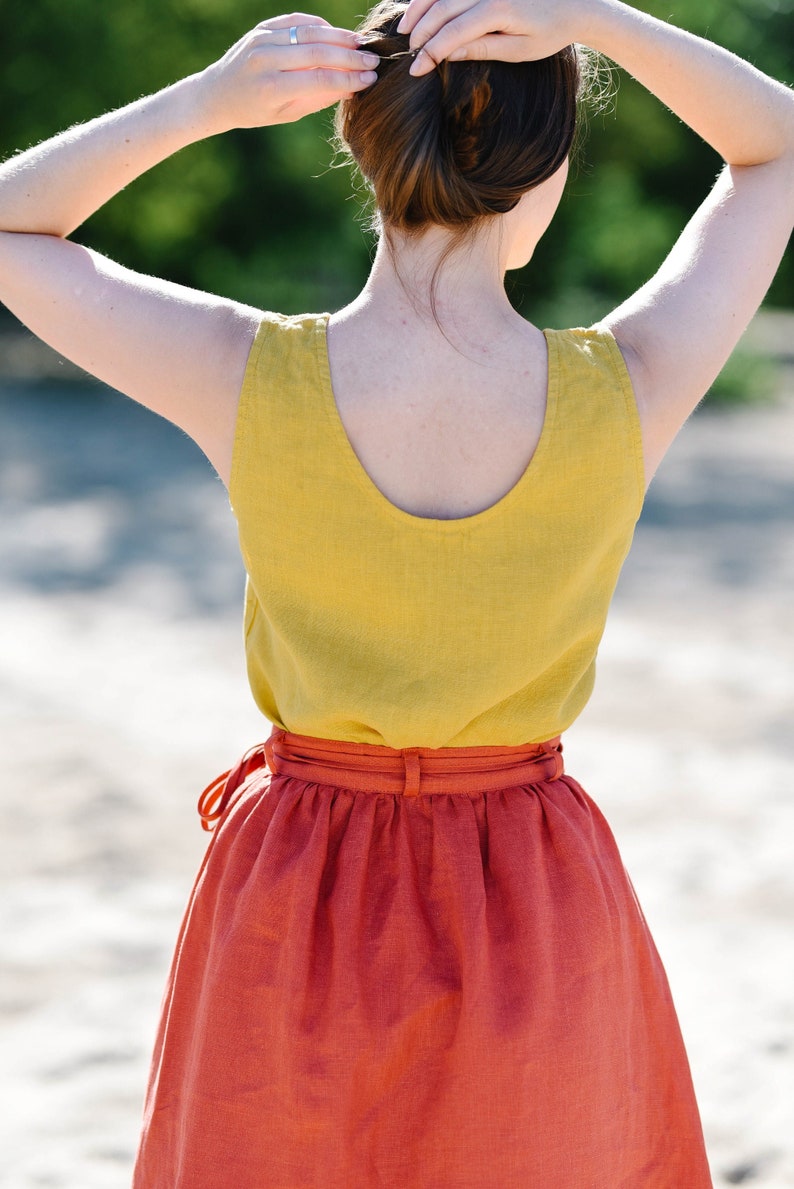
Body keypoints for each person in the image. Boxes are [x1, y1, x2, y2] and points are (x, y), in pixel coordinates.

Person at [0, 0, 791, 1183]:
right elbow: (775, 147)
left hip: (293, 888)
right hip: (530, 888)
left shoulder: (241, 371)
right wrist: (595, 17)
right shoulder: (629, 385)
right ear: (547, 169)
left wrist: (202, 104)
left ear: (364, 148)